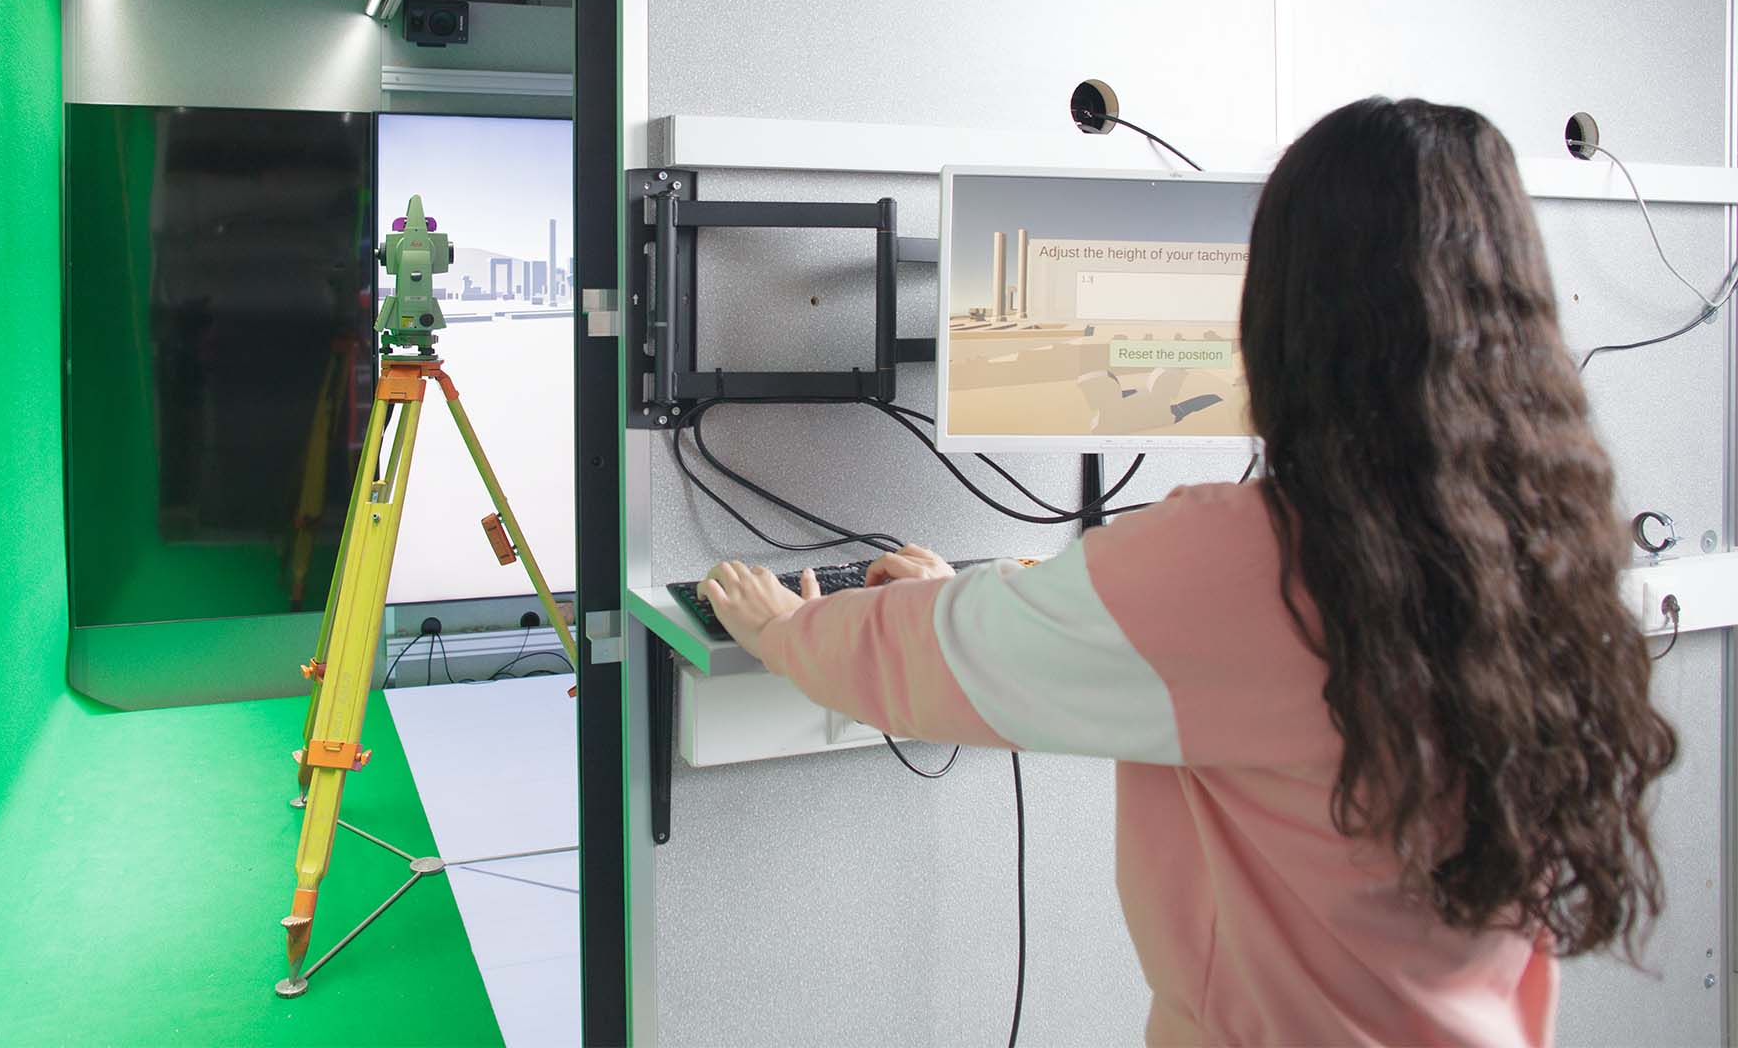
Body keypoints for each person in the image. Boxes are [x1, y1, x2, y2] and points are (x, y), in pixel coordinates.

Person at [699, 97, 1678, 1047]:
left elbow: (959, 658)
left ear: (1292, 308)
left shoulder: (1246, 561)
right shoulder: (1542, 542)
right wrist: (996, 587)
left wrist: (790, 629)